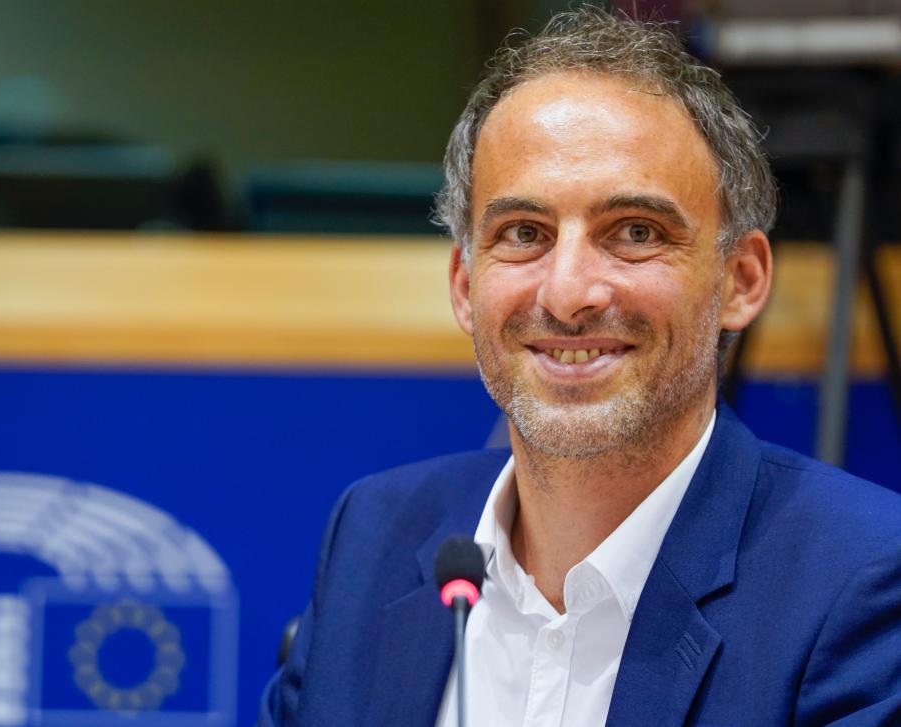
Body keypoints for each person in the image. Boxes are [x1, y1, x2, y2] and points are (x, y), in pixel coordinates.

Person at [260, 7, 901, 726]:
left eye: (634, 232)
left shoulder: (865, 579)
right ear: (466, 287)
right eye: (524, 233)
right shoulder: (372, 535)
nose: (567, 294)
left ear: (742, 280)